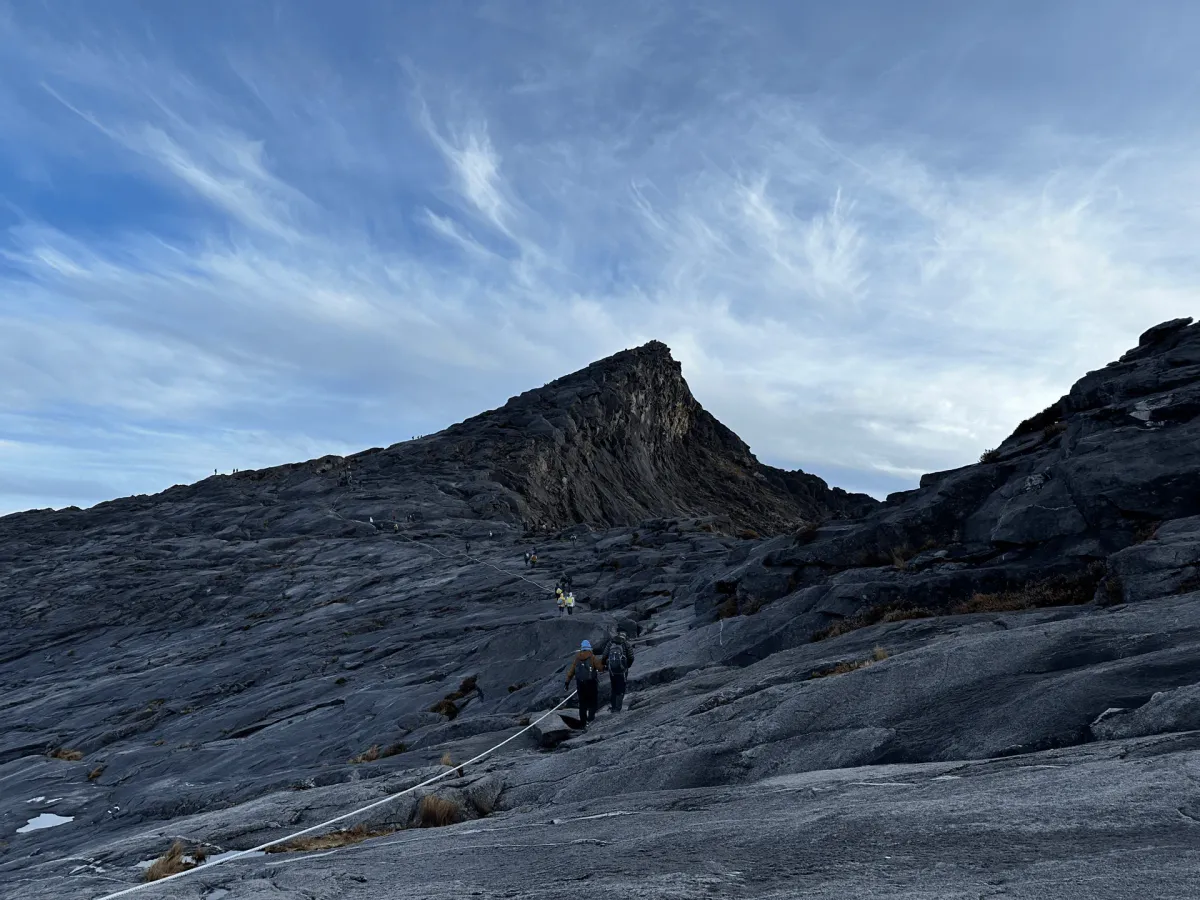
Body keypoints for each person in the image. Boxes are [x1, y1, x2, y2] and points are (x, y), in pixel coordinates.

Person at [565, 640, 601, 730]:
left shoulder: (577, 658)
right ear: (589, 647)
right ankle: (591, 720)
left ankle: (583, 723)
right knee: (593, 702)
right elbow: (600, 668)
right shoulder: (592, 657)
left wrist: (567, 682)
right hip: (591, 683)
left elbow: (571, 671)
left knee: (582, 704)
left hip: (580, 684)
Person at [603, 631, 635, 712]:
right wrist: (627, 666)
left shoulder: (610, 643)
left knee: (614, 688)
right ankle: (618, 708)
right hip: (622, 671)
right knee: (621, 689)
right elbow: (631, 657)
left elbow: (604, 656)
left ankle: (613, 707)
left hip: (612, 670)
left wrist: (607, 666)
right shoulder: (626, 644)